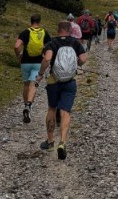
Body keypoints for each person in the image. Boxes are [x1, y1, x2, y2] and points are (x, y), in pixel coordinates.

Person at [35, 20, 86, 160]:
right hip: (69, 82)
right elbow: (83, 58)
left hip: (54, 82)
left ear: (58, 30)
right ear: (70, 30)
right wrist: (77, 64)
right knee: (65, 111)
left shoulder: (52, 43)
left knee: (52, 108)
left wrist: (40, 74)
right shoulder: (75, 43)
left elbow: (47, 59)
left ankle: (50, 141)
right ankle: (62, 142)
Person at [14, 14, 51, 123]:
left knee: (26, 84)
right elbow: (50, 47)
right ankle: (28, 105)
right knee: (33, 84)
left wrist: (18, 56)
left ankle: (26, 106)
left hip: (25, 62)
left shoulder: (25, 32)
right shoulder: (44, 32)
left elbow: (16, 46)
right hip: (38, 63)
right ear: (39, 21)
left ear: (31, 21)